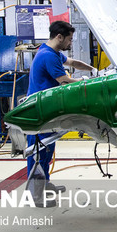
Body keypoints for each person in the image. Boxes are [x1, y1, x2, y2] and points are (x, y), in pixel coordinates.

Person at [26, 20, 97, 206]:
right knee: (38, 152)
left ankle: (45, 183)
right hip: (39, 112)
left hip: (48, 110)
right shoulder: (48, 56)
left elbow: (72, 62)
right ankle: (35, 196)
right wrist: (86, 82)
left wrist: (92, 69)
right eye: (69, 39)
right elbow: (64, 81)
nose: (70, 43)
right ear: (59, 37)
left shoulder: (52, 53)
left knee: (47, 149)